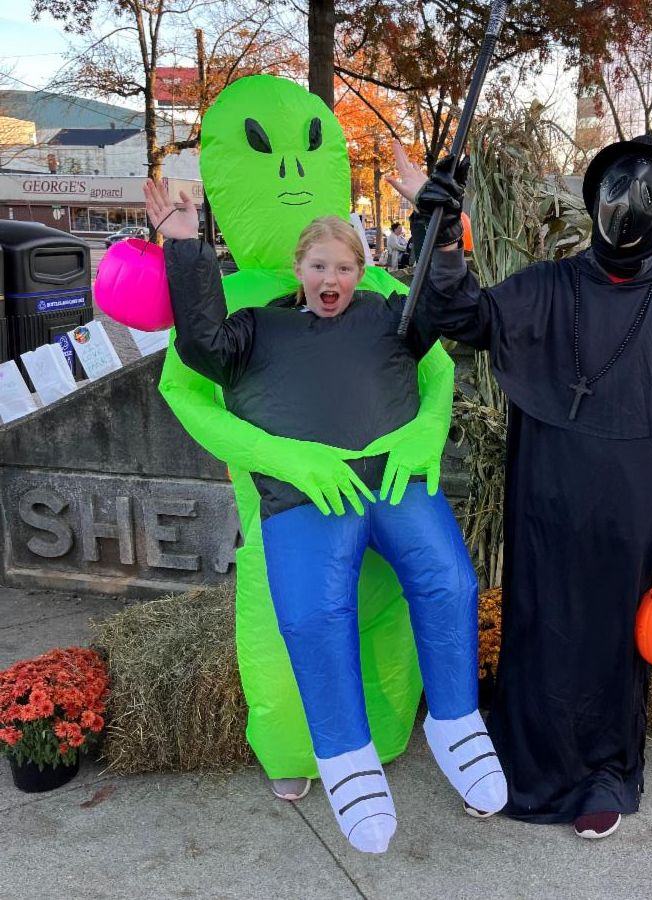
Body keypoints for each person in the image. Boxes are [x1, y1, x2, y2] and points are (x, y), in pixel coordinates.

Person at [145, 184, 507, 854]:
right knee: (314, 614)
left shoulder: (388, 315)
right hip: (306, 498)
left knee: (450, 583)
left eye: (343, 267)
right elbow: (199, 347)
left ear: (359, 270)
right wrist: (185, 244)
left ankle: (456, 723)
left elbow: (443, 311)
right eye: (319, 267)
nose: (331, 279)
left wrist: (437, 225)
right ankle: (345, 756)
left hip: (394, 482)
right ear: (298, 269)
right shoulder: (258, 327)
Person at [388, 135, 652, 839]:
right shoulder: (546, 286)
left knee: (609, 642)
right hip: (543, 499)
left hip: (629, 515)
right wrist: (442, 235)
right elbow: (460, 317)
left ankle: (603, 772)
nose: (624, 216)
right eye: (613, 198)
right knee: (537, 629)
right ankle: (519, 759)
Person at [155, 76, 455, 811]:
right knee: (293, 622)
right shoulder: (231, 298)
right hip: (286, 508)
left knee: (383, 616)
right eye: (264, 151)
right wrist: (282, 457)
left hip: (383, 495)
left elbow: (437, 361)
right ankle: (296, 747)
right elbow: (185, 387)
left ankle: (383, 738)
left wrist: (427, 433)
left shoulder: (377, 287)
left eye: (308, 149)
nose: (290, 169)